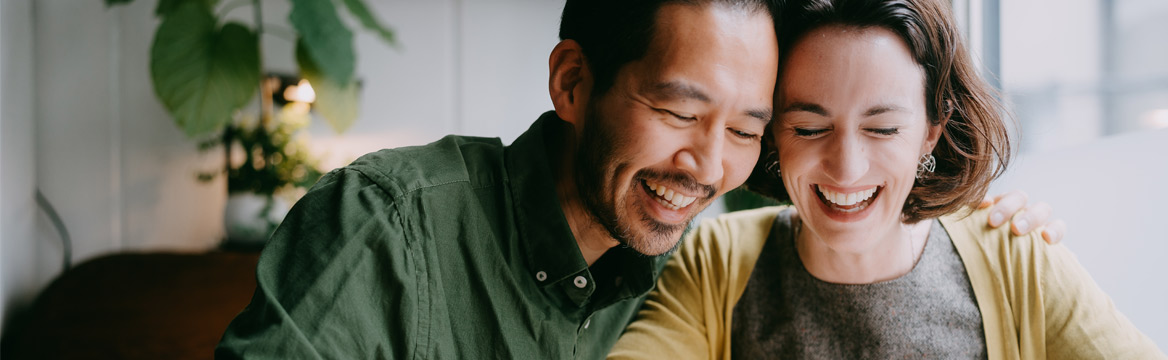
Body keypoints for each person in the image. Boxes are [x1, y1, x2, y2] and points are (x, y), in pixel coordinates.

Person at [215, 0, 1057, 358]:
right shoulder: (389, 223)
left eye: (745, 129)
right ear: (573, 83)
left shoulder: (702, 258)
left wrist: (978, 228)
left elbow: (846, 185)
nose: (708, 165)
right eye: (678, 110)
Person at [608, 0, 1164, 358]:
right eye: (808, 127)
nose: (846, 168)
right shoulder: (716, 262)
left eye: (882, 129)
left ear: (930, 132)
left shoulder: (1015, 254)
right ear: (773, 132)